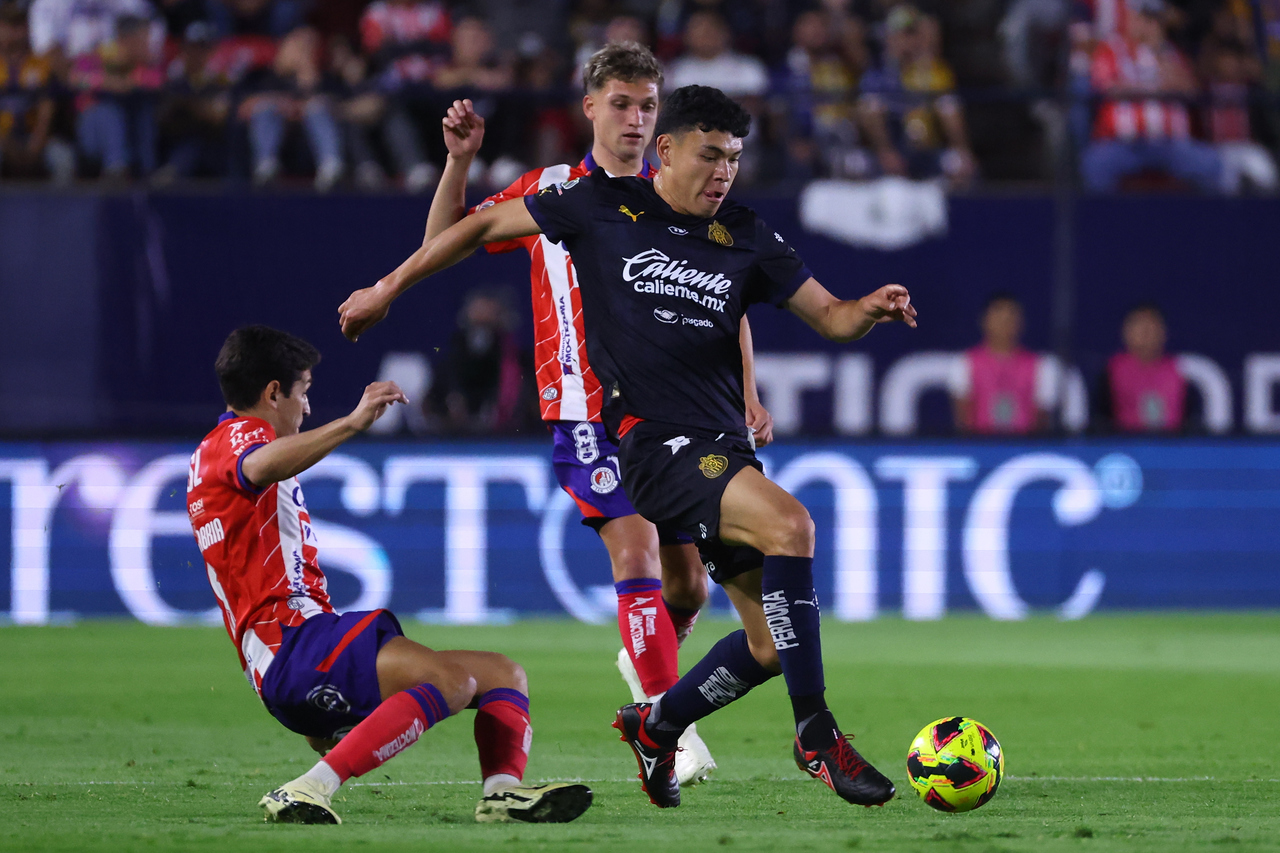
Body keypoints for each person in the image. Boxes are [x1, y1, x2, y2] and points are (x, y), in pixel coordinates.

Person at [336, 84, 915, 809]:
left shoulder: (745, 235)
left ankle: (657, 723)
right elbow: (476, 229)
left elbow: (830, 316)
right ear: (666, 151)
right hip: (652, 443)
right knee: (791, 524)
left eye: (734, 157)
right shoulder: (599, 206)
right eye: (710, 155)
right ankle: (816, 734)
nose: (724, 172)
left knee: (768, 646)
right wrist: (386, 289)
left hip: (724, 447)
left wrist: (868, 309)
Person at [368, 42, 762, 788]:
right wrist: (457, 163)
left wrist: (747, 390)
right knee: (637, 557)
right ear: (590, 107)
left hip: (669, 410)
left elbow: (724, 295)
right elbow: (447, 240)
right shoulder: (549, 189)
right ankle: (663, 727)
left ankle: (649, 670)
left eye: (649, 106)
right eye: (621, 103)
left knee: (688, 588)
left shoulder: (676, 190)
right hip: (585, 410)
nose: (636, 120)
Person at [187, 324, 593, 825]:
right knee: (449, 681)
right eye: (305, 392)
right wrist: (354, 423)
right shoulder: (240, 438)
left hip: (297, 652)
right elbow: (260, 465)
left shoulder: (216, 449)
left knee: (501, 674)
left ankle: (502, 794)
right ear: (273, 393)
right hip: (292, 643)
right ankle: (308, 788)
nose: (308, 408)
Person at [1079, 0, 1221, 193]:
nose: (1147, 24)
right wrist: (1157, 89)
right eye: (1143, 18)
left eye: (1153, 20)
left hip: (1171, 144)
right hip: (1124, 143)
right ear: (1130, 18)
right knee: (1095, 164)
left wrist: (1159, 51)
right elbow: (1107, 87)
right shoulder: (1111, 48)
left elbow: (1190, 89)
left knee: (1210, 164)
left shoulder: (1171, 52)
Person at [950, 293, 1056, 435]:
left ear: (1021, 322)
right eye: (998, 317)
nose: (1004, 324)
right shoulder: (964, 363)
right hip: (980, 446)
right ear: (984, 320)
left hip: (1024, 448)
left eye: (1011, 318)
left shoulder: (1041, 366)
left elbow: (1042, 423)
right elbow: (963, 421)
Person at [1096, 302, 1186, 432]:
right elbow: (1101, 419)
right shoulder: (1111, 371)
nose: (1146, 332)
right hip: (1123, 445)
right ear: (1126, 332)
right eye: (1139, 325)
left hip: (1170, 445)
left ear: (1163, 332)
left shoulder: (1178, 372)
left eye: (1151, 325)